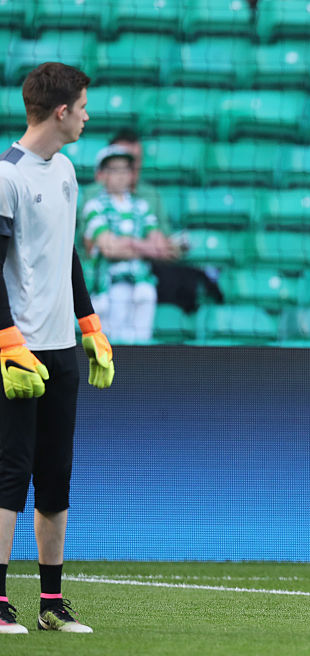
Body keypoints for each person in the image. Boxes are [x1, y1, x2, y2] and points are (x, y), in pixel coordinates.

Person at [0, 62, 115, 635]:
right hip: (14, 352)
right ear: (62, 110)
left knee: (55, 476)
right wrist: (6, 342)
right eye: (85, 106)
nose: (89, 115)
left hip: (61, 349)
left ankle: (50, 602)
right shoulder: (6, 174)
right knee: (8, 474)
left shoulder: (66, 170)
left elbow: (66, 255)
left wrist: (89, 324)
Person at [80, 145, 167, 343]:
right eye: (114, 169)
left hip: (143, 286)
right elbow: (108, 248)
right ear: (101, 174)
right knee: (114, 349)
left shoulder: (142, 206)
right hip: (110, 288)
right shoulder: (94, 206)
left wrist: (128, 243)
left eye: (125, 169)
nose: (121, 175)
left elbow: (160, 247)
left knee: (143, 347)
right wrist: (144, 247)